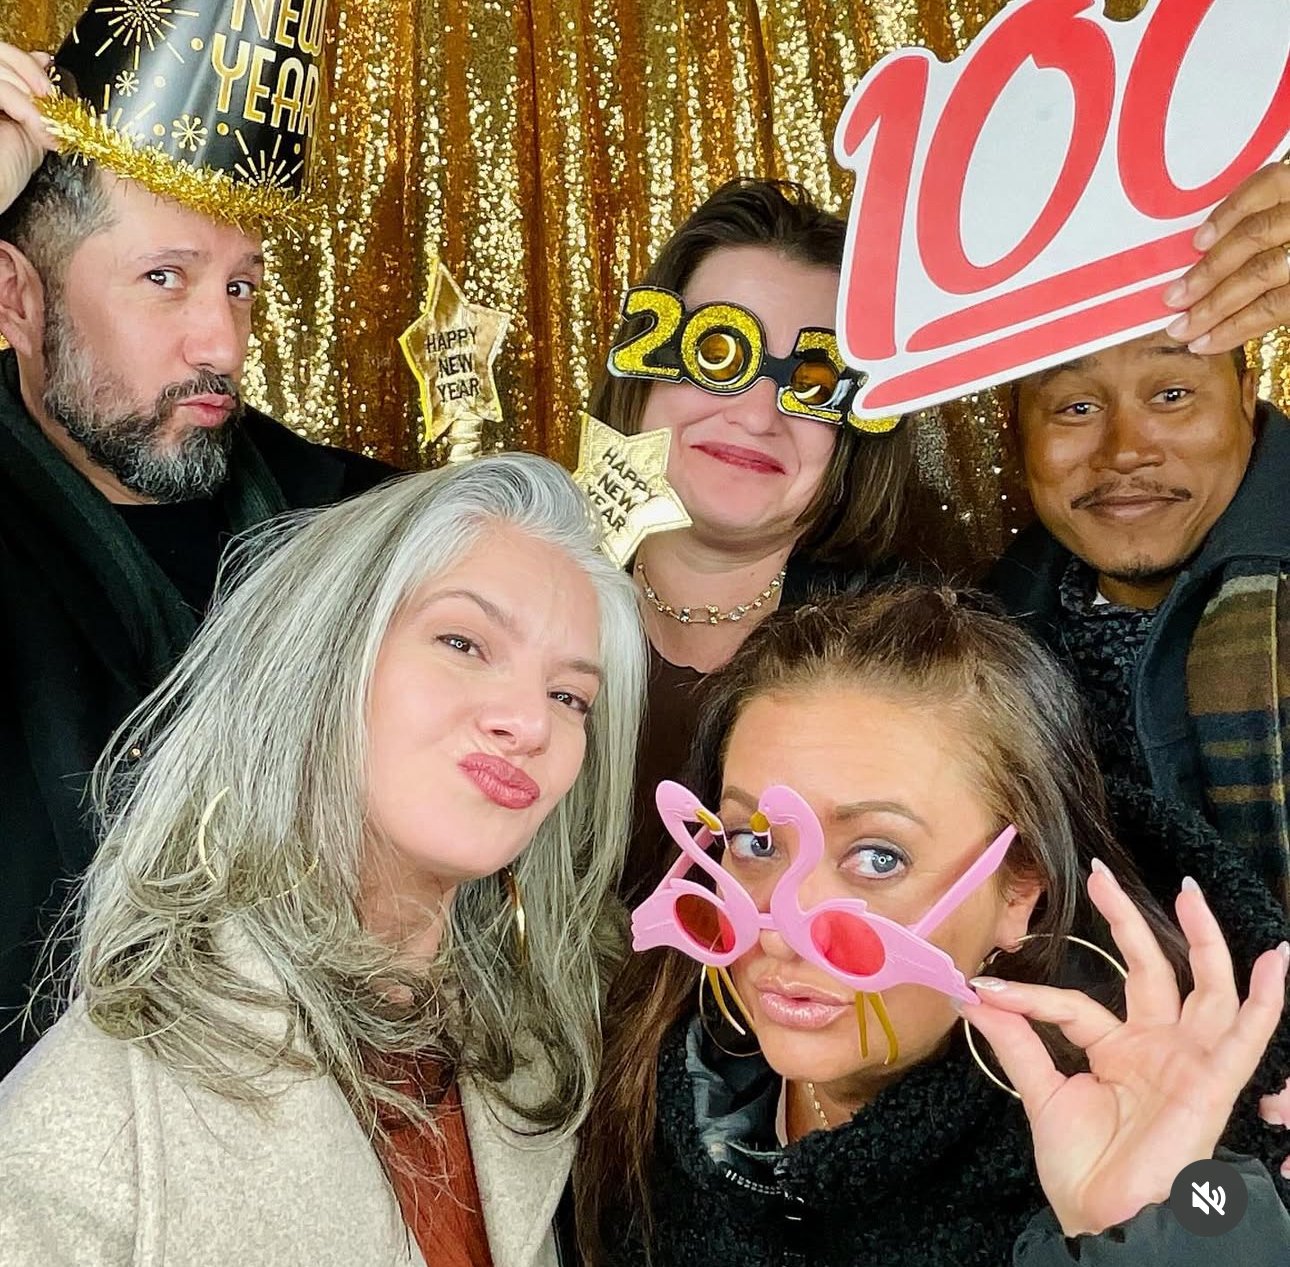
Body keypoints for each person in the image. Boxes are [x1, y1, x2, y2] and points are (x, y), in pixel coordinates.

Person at [0, 453, 645, 1265]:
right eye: (463, 641)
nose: (529, 720)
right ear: (321, 659)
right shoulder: (90, 1123)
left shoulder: (542, 1057)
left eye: (569, 696)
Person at [577, 586, 1290, 1266]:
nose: (776, 933)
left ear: (1021, 890)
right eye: (755, 842)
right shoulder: (645, 1068)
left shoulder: (1164, 1132)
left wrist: (1149, 1231)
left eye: (878, 856)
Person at [0, 30, 394, 1072]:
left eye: (240, 286)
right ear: (16, 299)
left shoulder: (350, 524)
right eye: (166, 278)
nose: (220, 342)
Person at [588, 177, 913, 903]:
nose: (757, 415)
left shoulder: (912, 660)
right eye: (718, 352)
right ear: (640, 368)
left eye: (815, 381)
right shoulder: (513, 593)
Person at [991, 323, 1290, 908]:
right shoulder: (983, 639)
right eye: (1076, 407)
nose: (1125, 450)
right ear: (1017, 432)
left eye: (1172, 396)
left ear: (1247, 401)